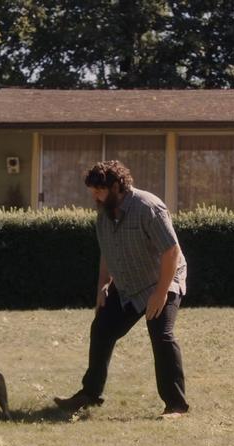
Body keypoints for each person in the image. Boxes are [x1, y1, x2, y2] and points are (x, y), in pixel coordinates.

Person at [54, 160, 190, 418]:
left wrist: (161, 294)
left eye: (99, 190)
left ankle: (176, 406)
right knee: (102, 328)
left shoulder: (148, 207)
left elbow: (171, 251)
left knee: (161, 335)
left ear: (116, 186)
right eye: (92, 190)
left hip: (163, 279)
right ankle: (90, 394)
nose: (94, 196)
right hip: (129, 285)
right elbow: (107, 253)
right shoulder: (104, 214)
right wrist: (103, 286)